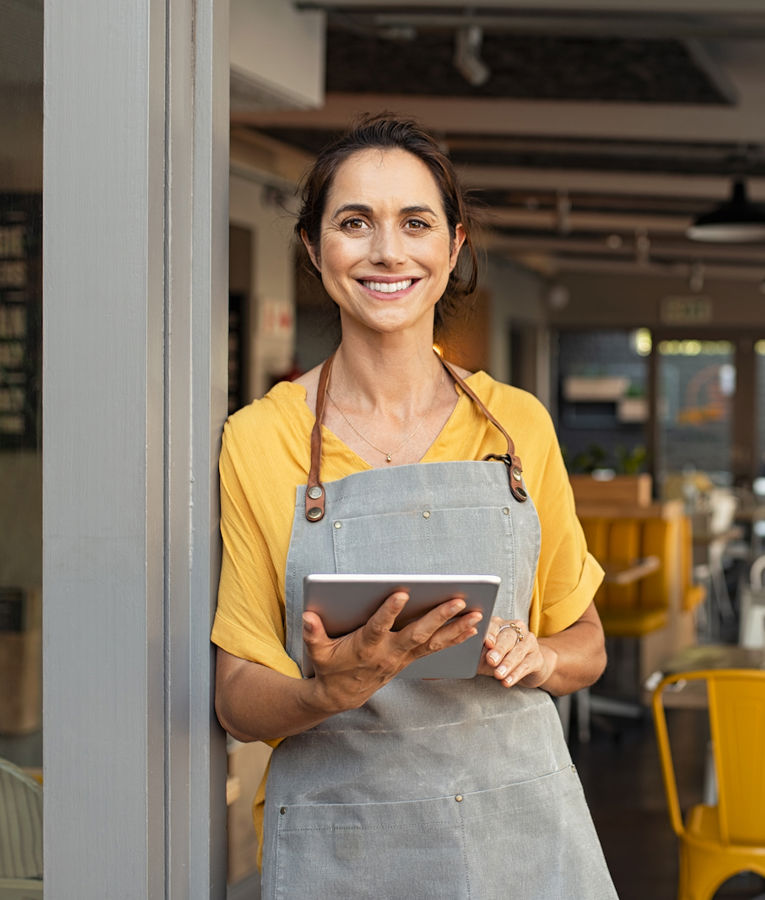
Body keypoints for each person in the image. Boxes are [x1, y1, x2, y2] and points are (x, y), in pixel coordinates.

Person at [212, 114, 617, 899]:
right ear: (313, 248)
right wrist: (327, 691)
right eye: (353, 222)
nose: (387, 252)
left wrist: (540, 658)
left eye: (415, 223)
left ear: (453, 245)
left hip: (518, 832)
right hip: (346, 843)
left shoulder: (516, 426)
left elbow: (586, 643)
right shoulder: (261, 438)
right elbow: (236, 699)